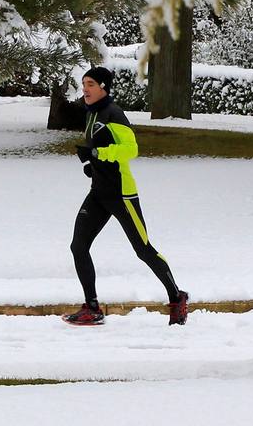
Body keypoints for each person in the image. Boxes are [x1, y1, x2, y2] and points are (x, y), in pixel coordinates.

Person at [62, 66, 189, 326]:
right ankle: (92, 308)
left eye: (90, 84)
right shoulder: (92, 113)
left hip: (122, 194)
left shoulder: (113, 113)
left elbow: (130, 149)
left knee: (143, 249)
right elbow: (102, 147)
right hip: (98, 193)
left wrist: (99, 155)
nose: (85, 88)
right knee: (78, 246)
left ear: (104, 87)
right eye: (84, 83)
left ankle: (177, 298)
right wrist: (93, 166)